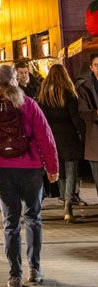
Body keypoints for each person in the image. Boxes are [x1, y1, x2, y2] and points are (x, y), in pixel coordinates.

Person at [0, 64, 59, 287]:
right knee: (33, 217)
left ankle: (14, 274)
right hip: (31, 168)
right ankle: (35, 269)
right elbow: (46, 138)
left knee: (10, 223)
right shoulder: (29, 104)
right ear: (14, 80)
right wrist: (52, 168)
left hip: (1, 168)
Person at [38, 63, 84, 222]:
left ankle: (64, 200)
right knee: (72, 172)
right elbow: (75, 118)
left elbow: (41, 119)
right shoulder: (69, 94)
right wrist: (83, 134)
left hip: (51, 138)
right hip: (69, 137)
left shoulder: (43, 96)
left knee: (60, 172)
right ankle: (68, 204)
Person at [76, 51, 98, 195]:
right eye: (96, 65)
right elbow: (82, 112)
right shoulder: (84, 88)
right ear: (91, 67)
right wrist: (95, 113)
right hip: (94, 138)